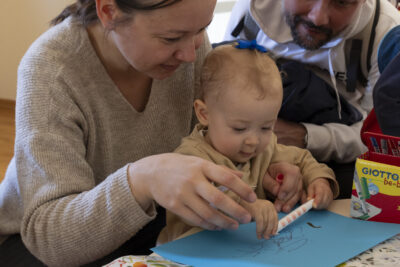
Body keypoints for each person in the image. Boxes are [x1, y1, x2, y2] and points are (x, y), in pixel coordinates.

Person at [0, 0, 305, 266]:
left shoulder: (189, 45)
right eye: (171, 37)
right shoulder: (52, 70)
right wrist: (141, 179)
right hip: (41, 246)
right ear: (109, 11)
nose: (190, 54)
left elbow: (209, 143)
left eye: (202, 29)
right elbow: (51, 238)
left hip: (153, 219)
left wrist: (263, 167)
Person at [157, 43, 339, 244]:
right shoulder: (190, 157)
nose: (253, 141)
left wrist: (319, 182)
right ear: (204, 114)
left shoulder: (266, 148)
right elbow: (203, 196)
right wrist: (247, 206)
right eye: (239, 129)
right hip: (184, 254)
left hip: (242, 251)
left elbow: (302, 158)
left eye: (266, 127)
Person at [223, 0, 400, 198]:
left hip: (340, 152)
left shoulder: (387, 34)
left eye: (341, 3)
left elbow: (378, 139)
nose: (318, 17)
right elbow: (223, 93)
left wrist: (304, 136)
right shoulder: (253, 9)